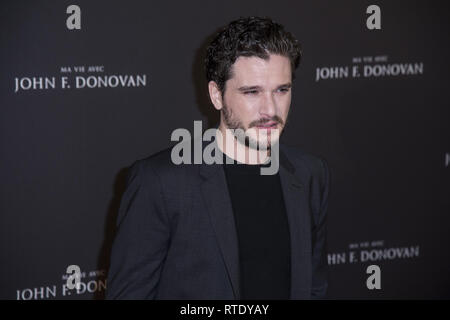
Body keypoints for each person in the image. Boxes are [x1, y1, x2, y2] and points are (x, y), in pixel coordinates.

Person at [106, 16, 330, 300]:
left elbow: (313, 287)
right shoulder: (161, 182)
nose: (270, 109)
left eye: (281, 90)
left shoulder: (310, 173)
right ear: (216, 95)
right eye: (252, 92)